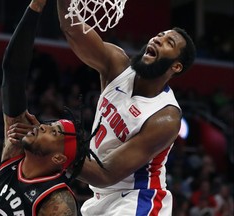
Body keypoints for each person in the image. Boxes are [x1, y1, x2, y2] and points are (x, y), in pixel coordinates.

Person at [55, 0, 197, 215]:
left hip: (139, 198)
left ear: (176, 66)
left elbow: (106, 174)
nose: (158, 39)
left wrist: (56, 150)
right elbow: (73, 29)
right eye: (159, 34)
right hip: (101, 197)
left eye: (169, 42)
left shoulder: (165, 117)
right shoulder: (117, 65)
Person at [0, 1, 102, 215]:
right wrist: (35, 7)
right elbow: (13, 73)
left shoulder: (57, 200)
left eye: (54, 131)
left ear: (58, 159)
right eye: (50, 125)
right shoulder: (14, 155)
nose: (43, 126)